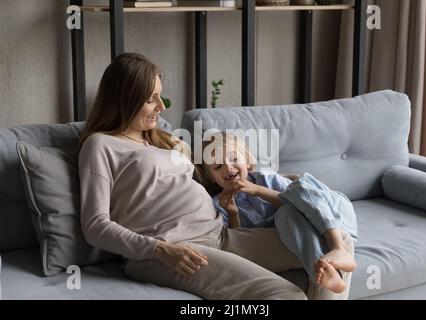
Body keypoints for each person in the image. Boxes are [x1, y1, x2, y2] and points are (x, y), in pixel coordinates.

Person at [78, 52, 353, 300]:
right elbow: (95, 225)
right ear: (124, 99)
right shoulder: (101, 145)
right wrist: (160, 250)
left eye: (160, 96)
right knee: (286, 295)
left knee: (333, 248)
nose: (161, 106)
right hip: (175, 249)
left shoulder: (163, 141)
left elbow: (219, 169)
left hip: (222, 235)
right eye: (150, 99)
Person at [195, 132, 358, 294]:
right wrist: (233, 213)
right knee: (284, 214)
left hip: (335, 213)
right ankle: (326, 271)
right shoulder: (218, 203)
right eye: (217, 167)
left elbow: (302, 201)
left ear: (246, 159)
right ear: (211, 178)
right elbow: (239, 242)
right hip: (299, 230)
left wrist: (258, 190)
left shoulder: (266, 179)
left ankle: (339, 247)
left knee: (299, 186)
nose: (228, 167)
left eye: (234, 159)